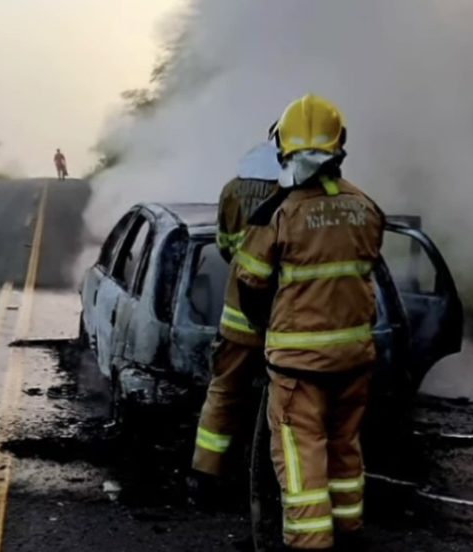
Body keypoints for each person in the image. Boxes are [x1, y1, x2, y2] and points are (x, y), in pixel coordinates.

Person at [235, 94, 385, 550]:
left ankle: (308, 541)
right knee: (344, 447)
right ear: (339, 147)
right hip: (355, 359)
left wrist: (269, 334)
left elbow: (250, 282)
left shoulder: (280, 214)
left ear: (284, 149)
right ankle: (349, 531)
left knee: (301, 459)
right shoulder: (367, 206)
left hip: (299, 366)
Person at [190, 123, 281, 499]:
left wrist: (243, 265)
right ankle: (279, 480)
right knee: (289, 401)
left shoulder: (232, 188)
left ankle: (204, 477)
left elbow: (225, 244)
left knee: (225, 392)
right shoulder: (294, 194)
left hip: (239, 316)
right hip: (286, 319)